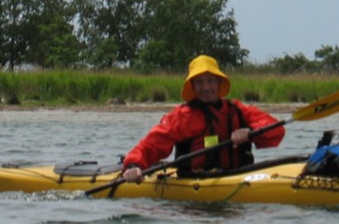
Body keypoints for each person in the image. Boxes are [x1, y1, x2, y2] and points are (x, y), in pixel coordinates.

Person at [121, 55, 285, 183]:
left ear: (218, 83)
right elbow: (152, 144)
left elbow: (276, 130)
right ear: (192, 87)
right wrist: (134, 165)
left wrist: (250, 132)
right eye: (199, 82)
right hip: (195, 186)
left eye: (210, 81)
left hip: (240, 177)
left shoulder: (237, 110)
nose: (206, 87)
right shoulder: (183, 116)